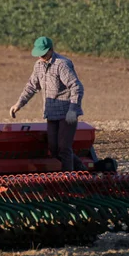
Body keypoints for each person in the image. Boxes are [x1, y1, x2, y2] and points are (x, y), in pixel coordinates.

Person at [9, 36, 86, 172]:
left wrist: (73, 109)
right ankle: (81, 168)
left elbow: (76, 87)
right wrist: (19, 104)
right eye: (39, 55)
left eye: (44, 54)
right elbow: (31, 87)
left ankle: (68, 180)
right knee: (53, 148)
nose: (41, 57)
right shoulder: (38, 66)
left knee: (64, 148)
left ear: (51, 49)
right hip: (51, 113)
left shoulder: (62, 64)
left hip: (67, 113)